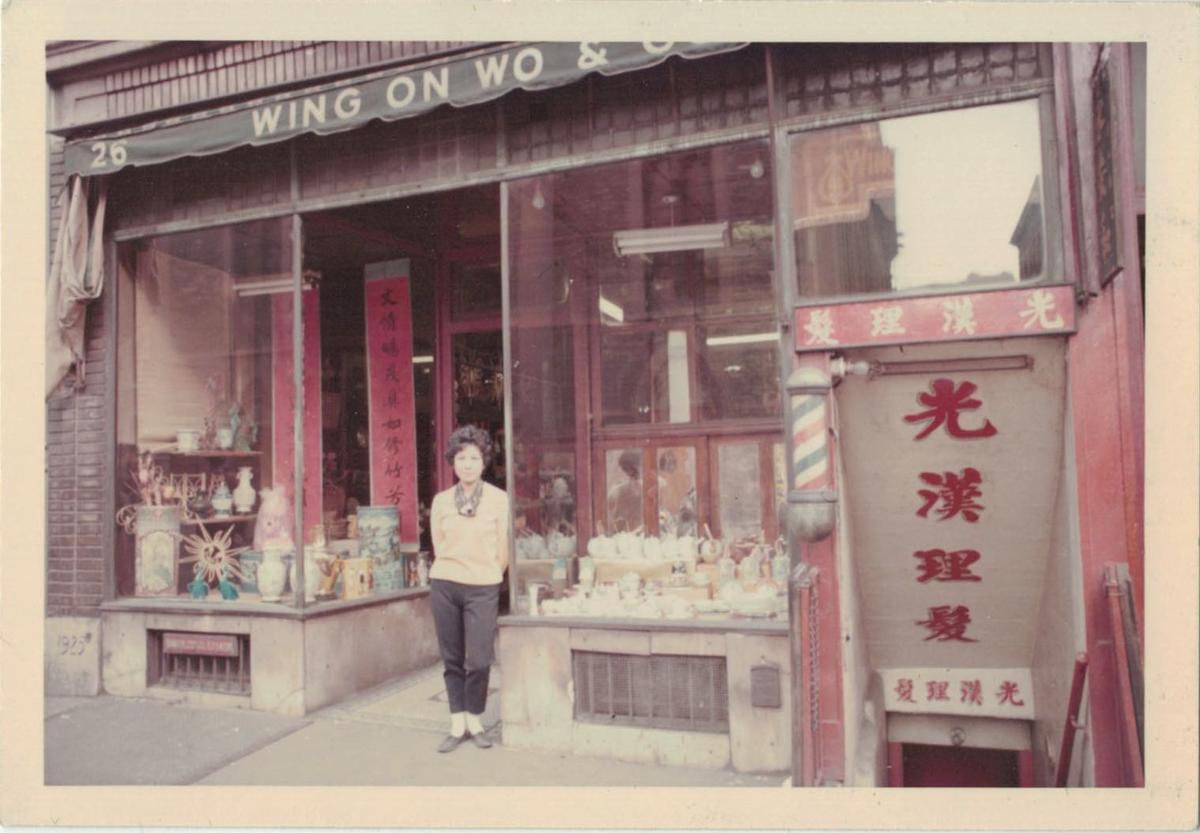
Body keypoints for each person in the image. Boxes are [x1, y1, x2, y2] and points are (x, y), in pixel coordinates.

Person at [428, 425, 510, 752]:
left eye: (474, 457)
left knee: (477, 659)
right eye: (461, 457)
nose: (467, 464)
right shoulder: (441, 501)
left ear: (484, 461)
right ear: (453, 461)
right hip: (445, 583)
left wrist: (489, 572)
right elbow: (439, 544)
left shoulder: (499, 499)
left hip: (483, 587)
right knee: (451, 658)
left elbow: (503, 550)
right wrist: (452, 569)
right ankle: (457, 722)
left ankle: (476, 719)